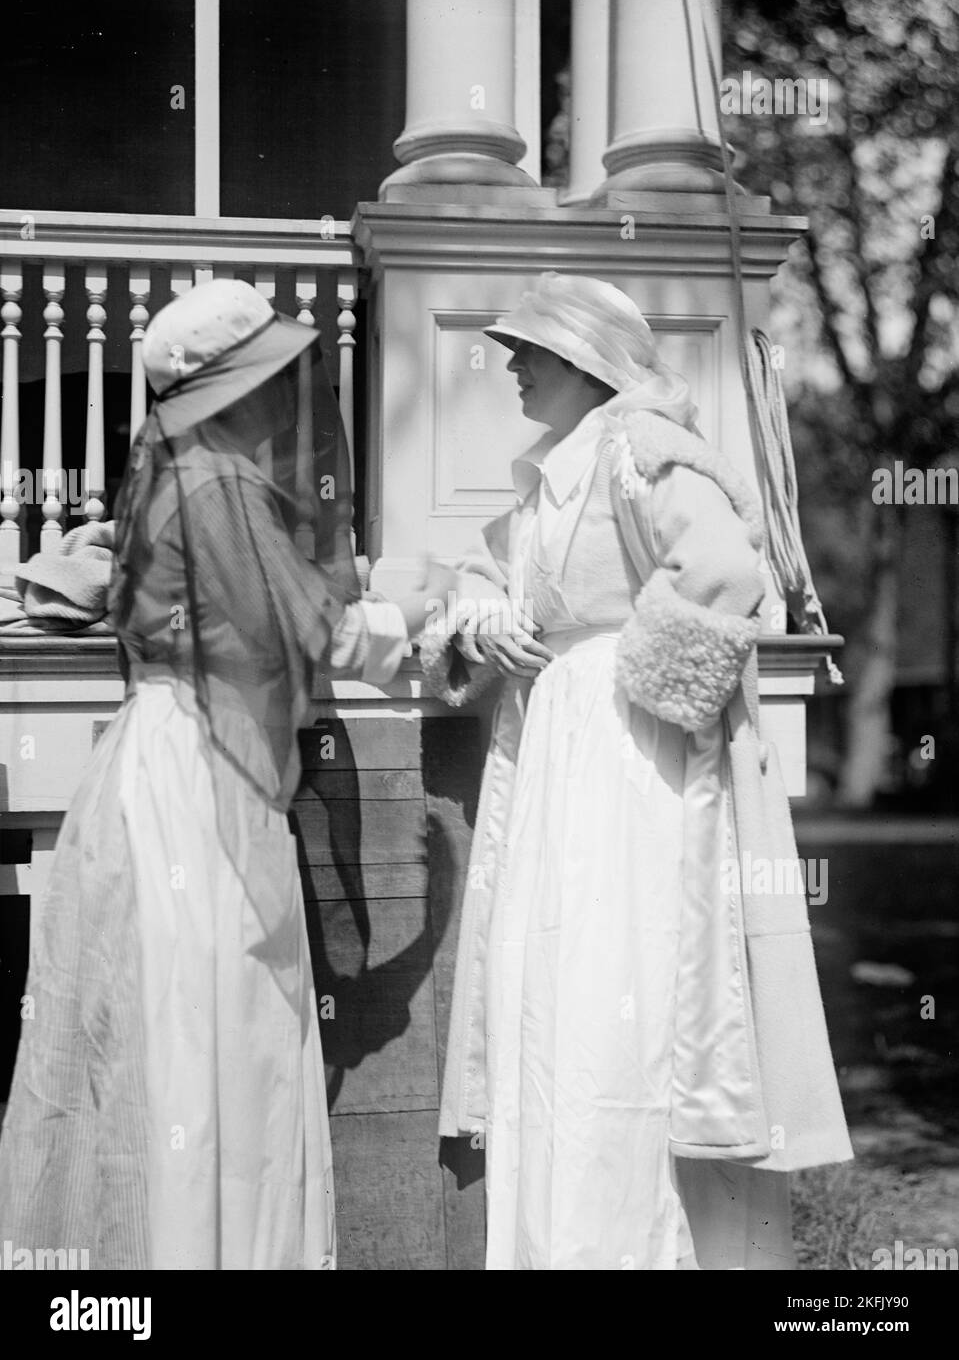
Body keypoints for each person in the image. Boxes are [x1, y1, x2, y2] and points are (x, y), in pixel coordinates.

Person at [0, 279, 451, 1270]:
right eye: (272, 376)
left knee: (191, 1030)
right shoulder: (217, 482)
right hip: (190, 789)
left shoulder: (186, 475)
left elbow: (273, 589)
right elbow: (302, 631)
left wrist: (368, 583)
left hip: (167, 765)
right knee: (202, 1032)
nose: (289, 395)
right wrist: (421, 611)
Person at [425, 271, 852, 1271]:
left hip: (635, 763)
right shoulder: (549, 475)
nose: (513, 365)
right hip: (551, 761)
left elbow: (723, 571)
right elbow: (480, 578)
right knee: (550, 992)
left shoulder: (643, 453)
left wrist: (629, 675)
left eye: (532, 349)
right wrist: (484, 627)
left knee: (625, 993)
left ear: (586, 362)